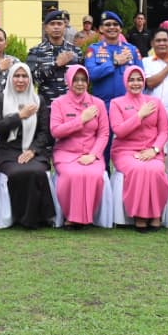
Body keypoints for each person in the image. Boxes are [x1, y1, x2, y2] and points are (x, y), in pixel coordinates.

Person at [0, 62, 56, 230]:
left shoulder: (38, 100)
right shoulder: (1, 99)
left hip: (33, 150)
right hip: (7, 150)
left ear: (30, 79)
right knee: (17, 172)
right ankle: (24, 218)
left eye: (24, 76)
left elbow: (44, 132)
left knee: (37, 171)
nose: (20, 80)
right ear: (10, 78)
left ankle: (41, 217)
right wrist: (19, 116)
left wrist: (33, 150)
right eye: (16, 76)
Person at [109, 65, 168, 232]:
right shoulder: (117, 103)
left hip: (152, 151)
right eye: (131, 80)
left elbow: (164, 131)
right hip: (125, 151)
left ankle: (156, 213)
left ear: (143, 81)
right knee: (138, 169)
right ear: (125, 82)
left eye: (139, 79)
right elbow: (119, 131)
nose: (135, 83)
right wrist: (139, 115)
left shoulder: (155, 102)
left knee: (156, 169)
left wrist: (155, 150)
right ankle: (140, 215)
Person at [49, 64, 108, 229]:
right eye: (76, 80)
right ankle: (71, 216)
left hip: (91, 153)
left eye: (83, 80)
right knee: (72, 174)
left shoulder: (98, 103)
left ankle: (86, 216)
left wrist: (93, 155)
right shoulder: (58, 103)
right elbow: (56, 131)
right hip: (66, 153)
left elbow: (103, 134)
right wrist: (81, 120)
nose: (80, 83)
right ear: (68, 81)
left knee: (94, 175)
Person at [84, 11, 142, 111]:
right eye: (107, 24)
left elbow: (142, 78)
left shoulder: (132, 50)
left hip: (127, 108)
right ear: (101, 29)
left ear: (120, 29)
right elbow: (90, 74)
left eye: (115, 24)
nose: (112, 27)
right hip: (103, 106)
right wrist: (113, 63)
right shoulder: (93, 49)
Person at [27, 9, 83, 104]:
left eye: (59, 24)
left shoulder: (76, 51)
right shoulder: (35, 52)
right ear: (46, 28)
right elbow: (32, 80)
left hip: (71, 106)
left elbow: (82, 79)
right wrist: (55, 65)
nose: (56, 27)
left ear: (65, 27)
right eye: (52, 24)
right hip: (47, 106)